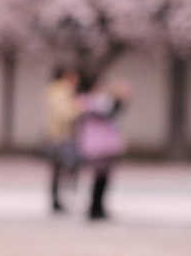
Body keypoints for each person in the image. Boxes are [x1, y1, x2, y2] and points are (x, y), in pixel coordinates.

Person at [76, 76, 129, 220]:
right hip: (100, 145)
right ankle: (95, 208)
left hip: (98, 144)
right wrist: (119, 98)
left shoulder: (88, 101)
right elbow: (110, 111)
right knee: (100, 177)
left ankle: (97, 206)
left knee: (101, 177)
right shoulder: (91, 101)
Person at [43, 67, 80, 213]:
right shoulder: (60, 91)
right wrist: (77, 110)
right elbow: (63, 113)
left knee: (58, 169)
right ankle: (58, 199)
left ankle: (57, 199)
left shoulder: (56, 90)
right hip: (60, 135)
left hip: (58, 135)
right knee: (63, 167)